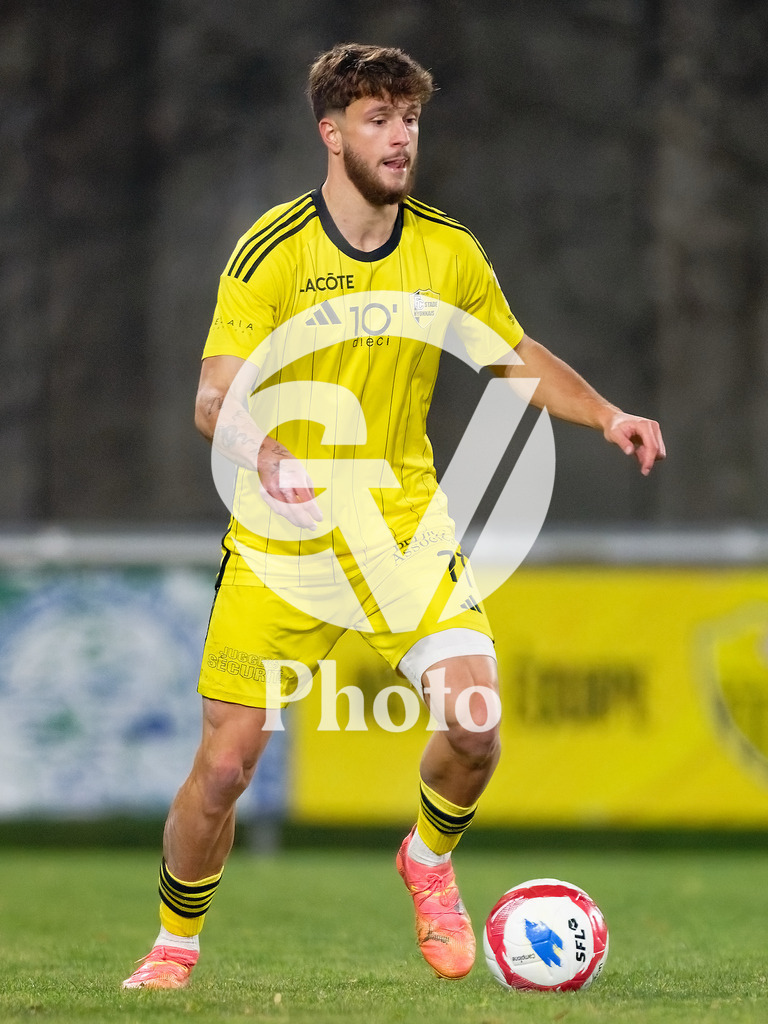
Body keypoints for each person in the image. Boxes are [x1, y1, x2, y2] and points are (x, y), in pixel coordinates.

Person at [122, 42, 665, 990]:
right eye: (378, 119)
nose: (401, 137)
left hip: (400, 530)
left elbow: (513, 354)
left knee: (477, 722)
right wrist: (267, 451)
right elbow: (214, 398)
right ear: (331, 134)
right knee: (224, 770)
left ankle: (427, 859)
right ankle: (174, 944)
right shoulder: (273, 249)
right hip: (281, 542)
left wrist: (609, 413)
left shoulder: (446, 249)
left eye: (409, 118)